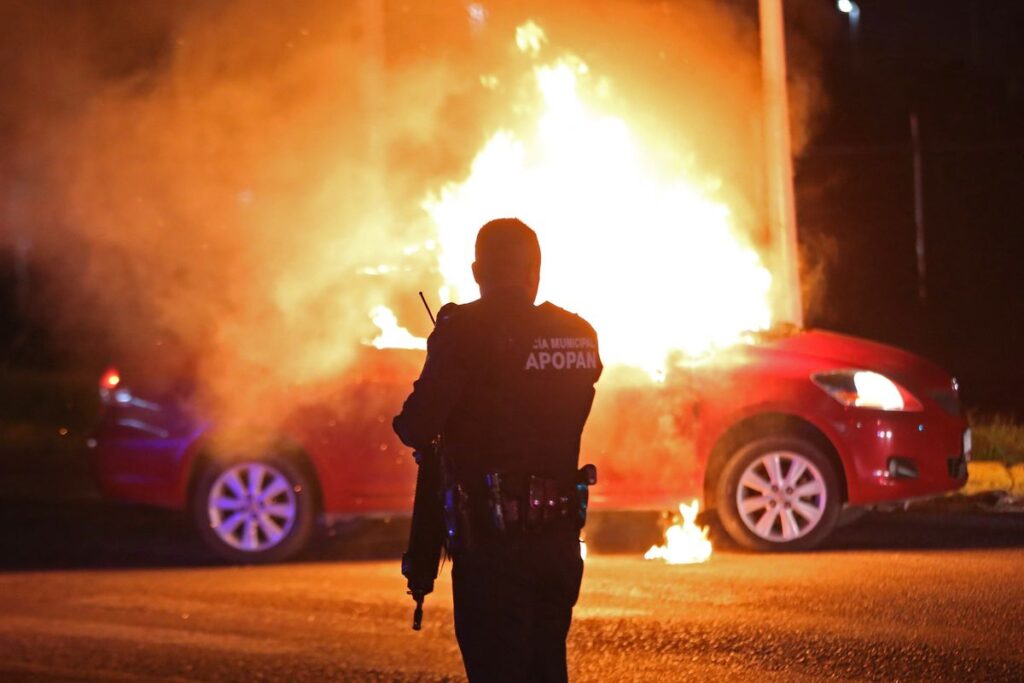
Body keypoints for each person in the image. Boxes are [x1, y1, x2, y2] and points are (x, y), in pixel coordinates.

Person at [393, 218, 602, 682]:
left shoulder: (463, 330)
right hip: (559, 545)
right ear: (536, 270)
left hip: (494, 549)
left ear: (476, 272)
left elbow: (416, 426)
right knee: (547, 667)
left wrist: (445, 349)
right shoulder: (579, 334)